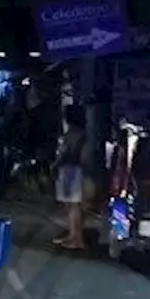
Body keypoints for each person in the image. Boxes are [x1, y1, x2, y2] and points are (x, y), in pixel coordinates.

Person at [54, 104, 90, 249]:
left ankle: (76, 238)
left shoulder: (71, 135)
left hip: (70, 171)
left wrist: (54, 165)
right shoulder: (84, 134)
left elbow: (63, 154)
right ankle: (73, 236)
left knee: (72, 206)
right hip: (77, 171)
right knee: (74, 206)